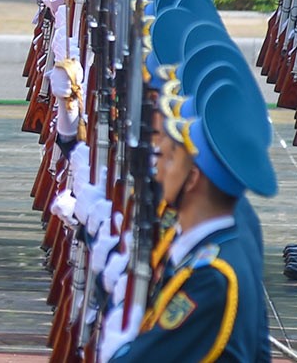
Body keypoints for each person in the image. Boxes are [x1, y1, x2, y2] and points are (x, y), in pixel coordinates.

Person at [109, 70, 275, 361]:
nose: (158, 166)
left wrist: (116, 346)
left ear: (193, 179)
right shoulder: (216, 245)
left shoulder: (212, 276)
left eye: (170, 157)